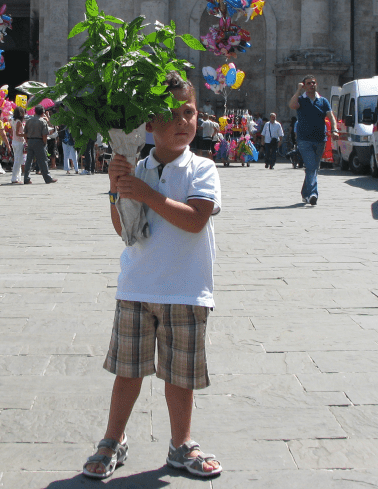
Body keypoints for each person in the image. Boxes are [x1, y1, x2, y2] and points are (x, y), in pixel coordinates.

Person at [83, 71, 222, 480]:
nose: (183, 122)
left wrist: (145, 193)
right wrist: (116, 189)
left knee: (180, 377)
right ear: (147, 124)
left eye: (189, 112)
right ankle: (113, 439)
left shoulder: (203, 168)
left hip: (186, 289)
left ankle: (182, 443)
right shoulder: (136, 166)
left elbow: (196, 219)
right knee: (128, 370)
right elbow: (123, 229)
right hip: (137, 286)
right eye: (171, 114)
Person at [288, 75, 338, 205]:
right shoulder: (300, 100)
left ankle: (305, 193)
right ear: (304, 85)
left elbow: (331, 117)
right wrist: (299, 90)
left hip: (320, 139)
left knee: (314, 168)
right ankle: (313, 194)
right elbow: (292, 105)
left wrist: (334, 129)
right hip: (304, 139)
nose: (312, 85)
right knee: (311, 167)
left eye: (314, 83)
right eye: (309, 83)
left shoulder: (323, 101)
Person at [22, 105, 57, 185]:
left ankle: (26, 178)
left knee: (28, 161)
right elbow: (44, 134)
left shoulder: (29, 120)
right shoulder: (42, 121)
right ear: (42, 112)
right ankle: (47, 178)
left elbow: (25, 133)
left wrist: (28, 141)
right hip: (39, 141)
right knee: (43, 161)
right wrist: (44, 143)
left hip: (30, 141)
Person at [10, 106, 26, 184]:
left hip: (14, 141)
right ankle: (14, 178)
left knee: (17, 160)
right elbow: (18, 133)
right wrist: (25, 135)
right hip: (19, 142)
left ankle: (17, 177)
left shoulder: (12, 120)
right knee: (18, 160)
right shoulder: (19, 122)